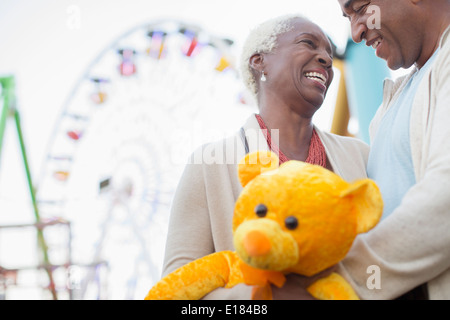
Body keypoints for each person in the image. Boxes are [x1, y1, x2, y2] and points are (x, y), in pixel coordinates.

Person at [161, 14, 370, 299]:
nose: (325, 59)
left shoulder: (360, 156)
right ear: (259, 62)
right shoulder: (209, 165)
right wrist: (260, 296)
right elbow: (178, 288)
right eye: (308, 44)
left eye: (328, 53)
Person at [336, 0, 450, 299]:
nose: (356, 32)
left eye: (360, 8)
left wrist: (339, 280)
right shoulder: (387, 109)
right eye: (347, 17)